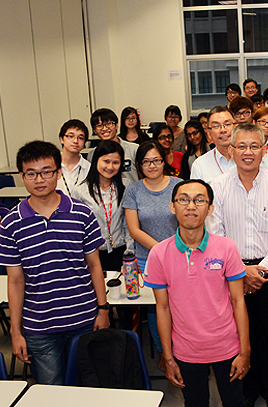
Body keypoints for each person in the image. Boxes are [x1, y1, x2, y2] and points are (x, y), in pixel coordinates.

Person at [0, 141, 109, 385]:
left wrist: (103, 309)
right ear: (21, 177)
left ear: (58, 173)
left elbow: (94, 266)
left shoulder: (81, 213)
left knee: (88, 387)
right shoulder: (11, 223)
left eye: (47, 171)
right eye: (31, 174)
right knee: (51, 392)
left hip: (84, 320)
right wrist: (16, 331)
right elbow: (15, 280)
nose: (40, 179)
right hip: (39, 327)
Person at [208, 123, 268, 407]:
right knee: (237, 332)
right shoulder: (217, 188)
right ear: (231, 151)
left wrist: (262, 268)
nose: (248, 152)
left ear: (264, 150)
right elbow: (215, 233)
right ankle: (245, 389)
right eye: (241, 146)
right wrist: (240, 270)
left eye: (254, 146)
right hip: (231, 272)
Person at [145, 180, 250, 407]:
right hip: (186, 351)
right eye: (184, 199)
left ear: (210, 208)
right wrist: (168, 356)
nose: (191, 206)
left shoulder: (226, 247)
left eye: (199, 200)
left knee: (235, 402)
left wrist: (245, 350)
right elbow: (162, 308)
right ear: (172, 206)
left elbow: (238, 300)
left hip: (227, 348)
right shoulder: (158, 254)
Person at [124, 140, 183, 369]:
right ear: (139, 165)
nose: (152, 166)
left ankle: (184, 350)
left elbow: (189, 221)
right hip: (147, 260)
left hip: (180, 255)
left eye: (156, 160)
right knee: (157, 308)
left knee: (182, 306)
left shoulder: (179, 185)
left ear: (164, 160)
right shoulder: (134, 190)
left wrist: (173, 250)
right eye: (146, 162)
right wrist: (161, 250)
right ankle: (163, 351)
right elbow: (134, 229)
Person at [72, 140, 131, 272]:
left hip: (121, 252)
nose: (110, 167)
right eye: (106, 161)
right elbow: (78, 229)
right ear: (96, 160)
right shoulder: (80, 191)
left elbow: (128, 224)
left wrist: (130, 255)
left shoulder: (126, 186)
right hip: (93, 255)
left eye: (115, 162)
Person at [88, 108, 139, 184]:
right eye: (99, 125)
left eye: (108, 123)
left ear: (116, 125)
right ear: (94, 130)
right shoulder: (92, 154)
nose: (104, 128)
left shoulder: (134, 149)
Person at [190, 106, 236, 184]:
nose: (223, 130)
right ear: (209, 133)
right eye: (216, 126)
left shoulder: (252, 158)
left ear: (236, 127)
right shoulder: (200, 165)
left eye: (227, 124)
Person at [57, 119, 91, 197]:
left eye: (80, 138)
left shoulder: (89, 168)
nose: (75, 141)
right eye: (71, 136)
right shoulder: (51, 165)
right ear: (61, 139)